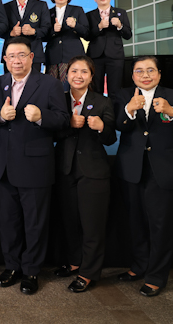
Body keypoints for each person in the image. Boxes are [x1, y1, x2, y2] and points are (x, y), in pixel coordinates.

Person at [114, 56, 173, 297]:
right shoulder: (123, 95)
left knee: (161, 226)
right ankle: (139, 266)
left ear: (159, 74)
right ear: (132, 75)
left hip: (163, 171)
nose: (145, 75)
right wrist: (129, 110)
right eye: (139, 71)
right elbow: (118, 126)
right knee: (135, 223)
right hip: (131, 170)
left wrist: (172, 112)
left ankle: (156, 276)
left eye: (150, 70)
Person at [0, 37, 69, 295]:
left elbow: (63, 119)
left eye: (21, 55)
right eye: (11, 56)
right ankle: (12, 266)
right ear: (4, 59)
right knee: (8, 221)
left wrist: (42, 116)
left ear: (32, 57)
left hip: (35, 165)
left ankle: (32, 270)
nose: (16, 61)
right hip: (3, 164)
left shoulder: (50, 83)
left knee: (35, 222)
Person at [53, 56, 116, 293]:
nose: (78, 76)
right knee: (69, 221)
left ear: (91, 76)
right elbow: (50, 132)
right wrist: (68, 123)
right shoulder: (58, 100)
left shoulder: (103, 101)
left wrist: (102, 127)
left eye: (84, 72)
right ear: (66, 75)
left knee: (92, 225)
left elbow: (110, 138)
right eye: (74, 71)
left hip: (93, 170)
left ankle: (88, 272)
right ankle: (74, 261)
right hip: (64, 169)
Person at [86, 0, 132, 100]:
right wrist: (99, 27)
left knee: (115, 90)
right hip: (95, 56)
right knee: (96, 89)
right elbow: (86, 36)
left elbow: (128, 35)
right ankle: (97, 111)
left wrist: (120, 25)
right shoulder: (89, 15)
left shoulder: (121, 13)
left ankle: (115, 111)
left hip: (115, 56)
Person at [45, 0, 90, 91]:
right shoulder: (47, 12)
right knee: (51, 89)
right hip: (53, 56)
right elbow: (42, 36)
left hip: (72, 56)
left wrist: (75, 25)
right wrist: (53, 30)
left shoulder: (77, 10)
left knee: (72, 89)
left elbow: (87, 33)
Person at [2, 0, 50, 73]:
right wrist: (11, 33)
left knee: (34, 82)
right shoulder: (5, 7)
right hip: (11, 55)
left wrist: (34, 31)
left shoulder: (41, 5)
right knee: (10, 82)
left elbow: (47, 29)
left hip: (33, 54)